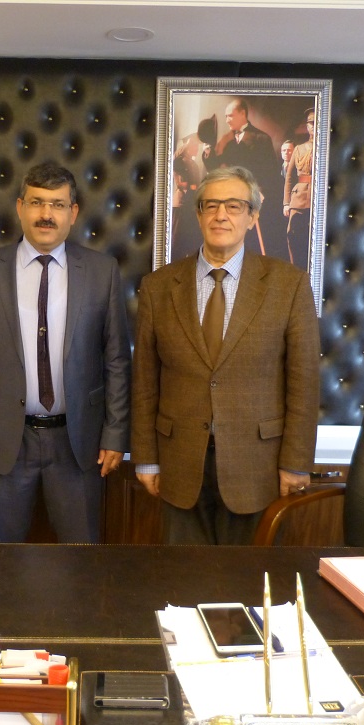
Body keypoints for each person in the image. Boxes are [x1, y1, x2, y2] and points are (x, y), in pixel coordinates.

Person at [131, 165, 320, 545]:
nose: (221, 215)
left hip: (258, 465)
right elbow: (145, 382)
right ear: (198, 213)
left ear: (252, 217)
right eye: (211, 205)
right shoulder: (158, 287)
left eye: (234, 206)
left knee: (249, 576)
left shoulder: (289, 284)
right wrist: (146, 457)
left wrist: (296, 462)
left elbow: (304, 383)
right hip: (179, 461)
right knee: (184, 575)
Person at [0, 162, 131, 543]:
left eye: (58, 204)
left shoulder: (102, 272)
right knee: (0, 559)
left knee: (81, 559)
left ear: (73, 212)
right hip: (2, 445)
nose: (46, 214)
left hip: (78, 445)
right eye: (36, 202)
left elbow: (116, 361)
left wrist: (115, 434)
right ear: (20, 207)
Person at [204, 98, 286, 259]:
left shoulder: (262, 138)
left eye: (230, 116)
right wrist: (208, 153)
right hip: (230, 198)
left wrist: (259, 192)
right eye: (225, 116)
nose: (227, 120)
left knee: (254, 242)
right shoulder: (225, 140)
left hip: (253, 198)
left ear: (242, 114)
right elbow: (215, 168)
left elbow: (270, 171)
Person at [284, 109, 316, 272]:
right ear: (307, 126)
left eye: (316, 123)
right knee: (293, 234)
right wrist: (286, 203)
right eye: (311, 123)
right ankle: (296, 270)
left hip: (318, 198)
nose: (314, 126)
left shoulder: (327, 148)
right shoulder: (299, 148)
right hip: (299, 198)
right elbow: (289, 177)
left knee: (314, 237)